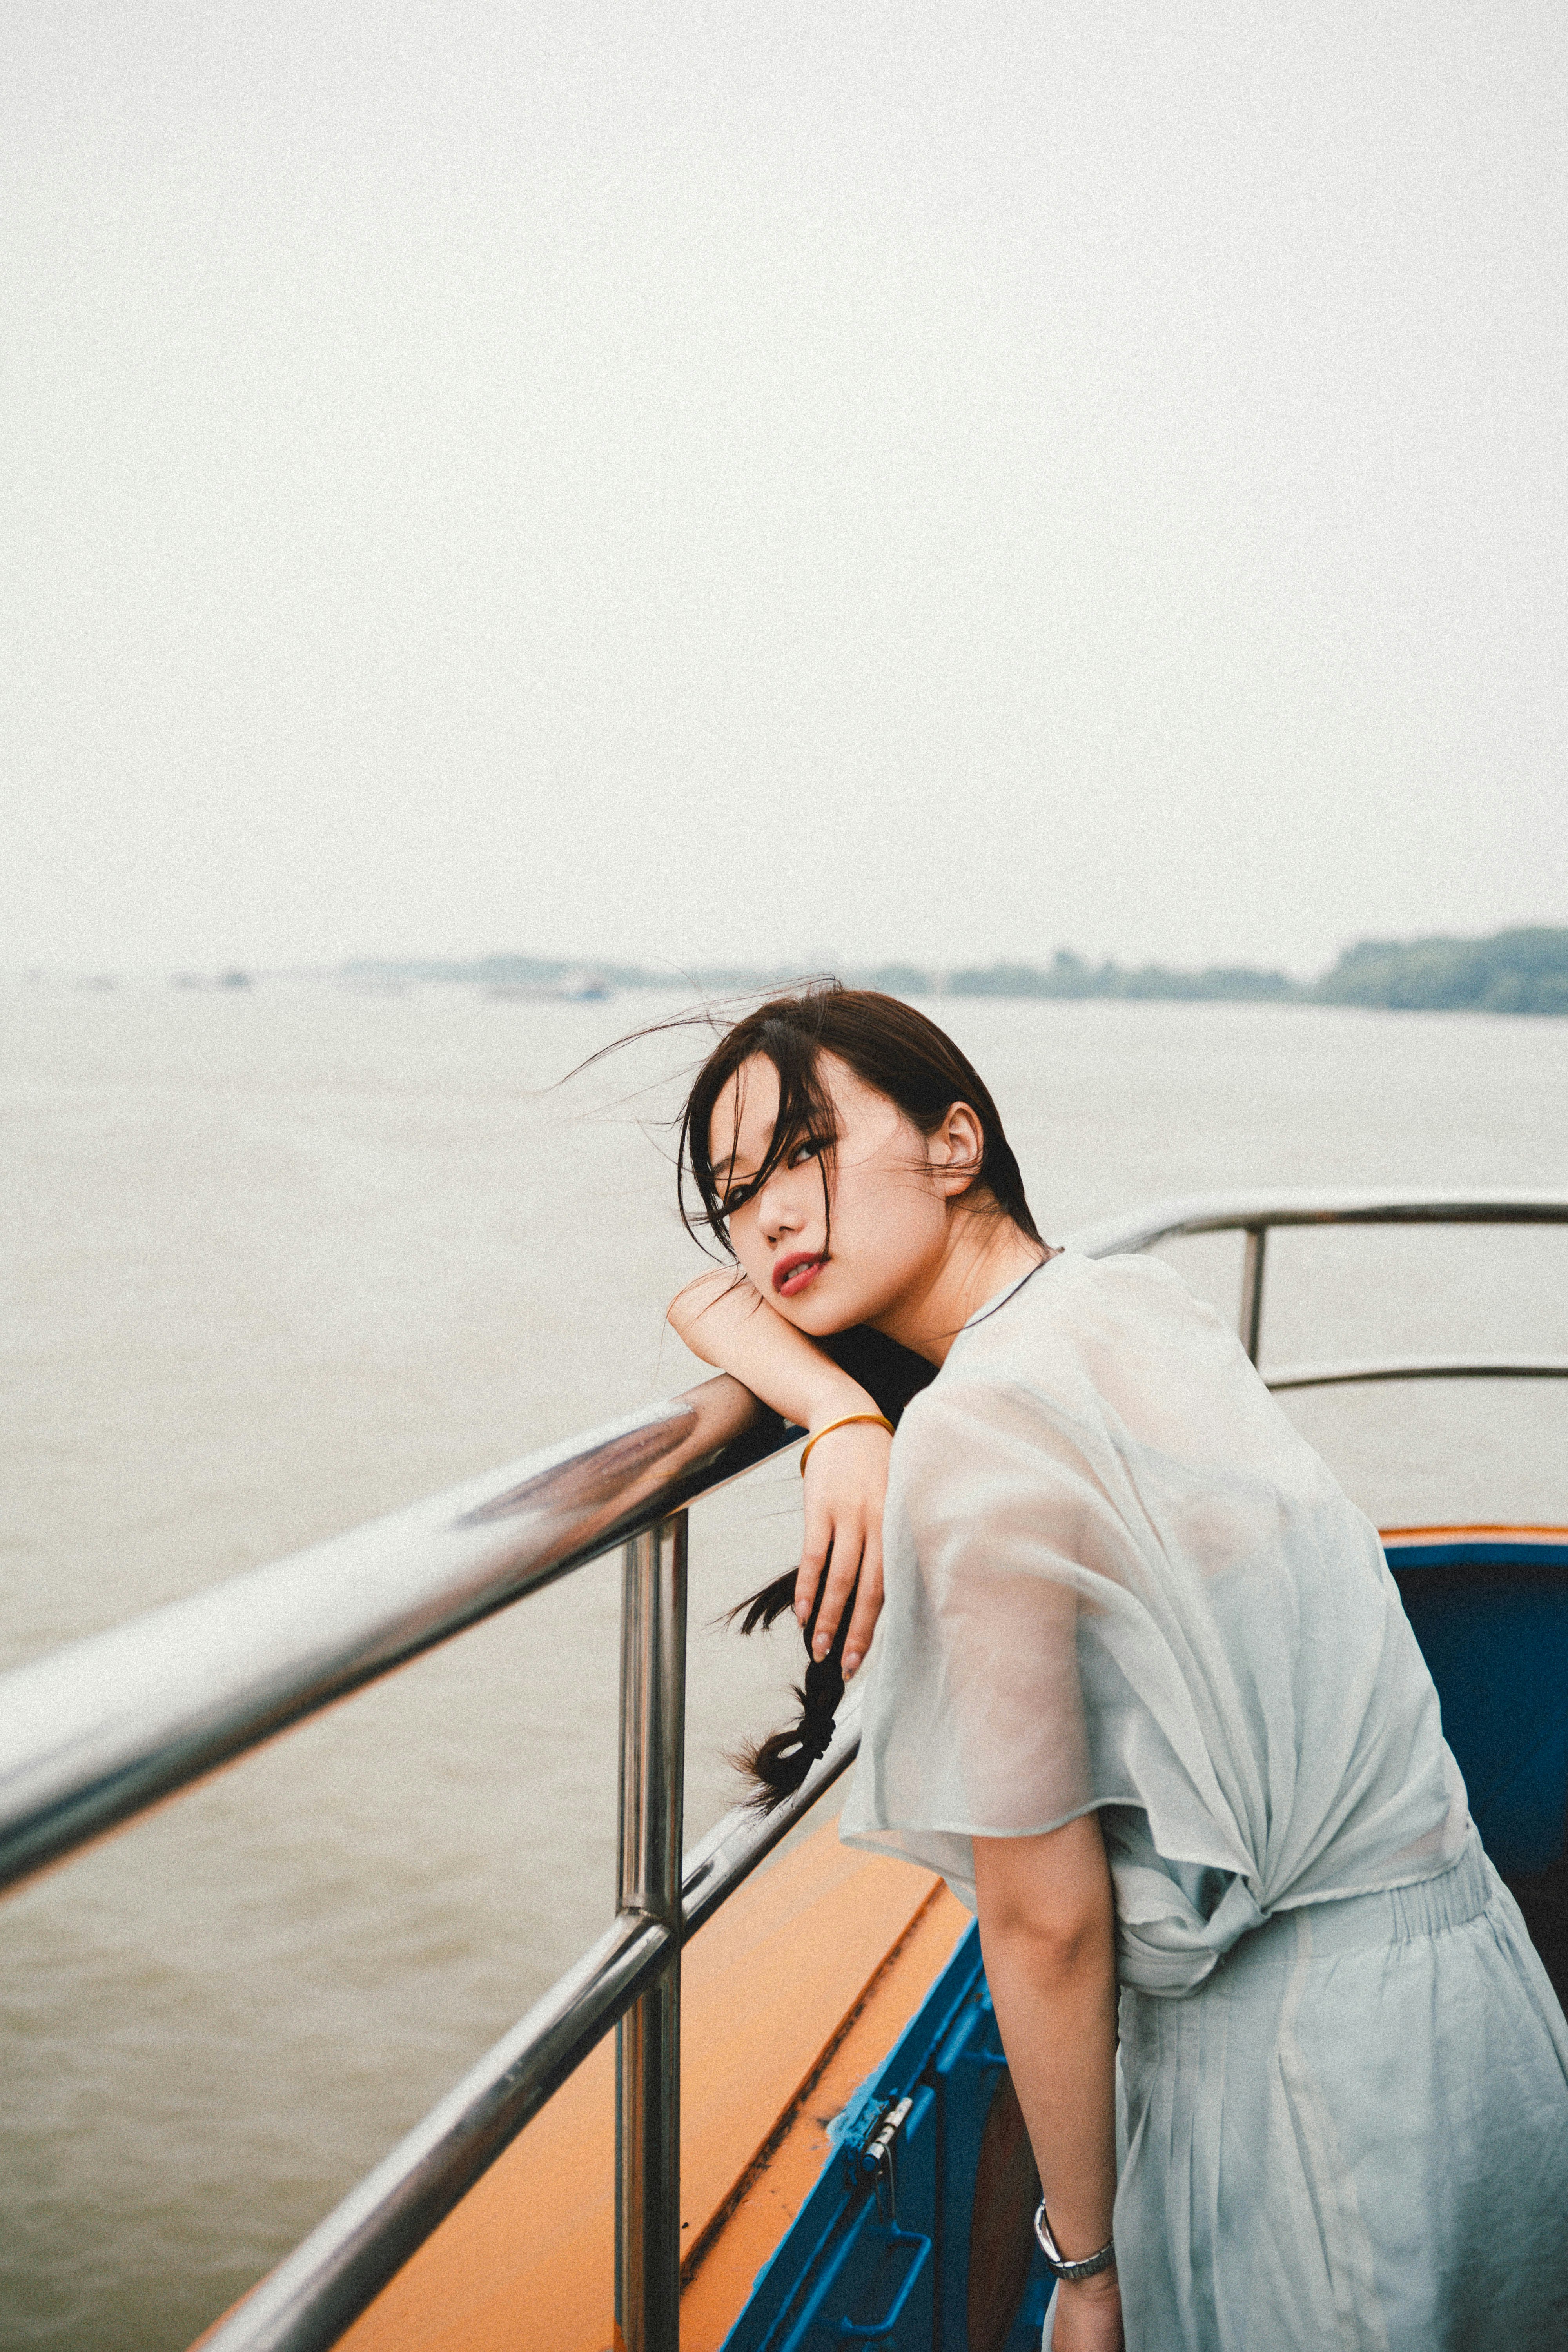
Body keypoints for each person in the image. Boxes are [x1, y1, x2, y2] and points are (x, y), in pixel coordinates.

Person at [664, 984, 1568, 2352]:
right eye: (738, 1190)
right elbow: (706, 1300)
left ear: (955, 1142)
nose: (773, 1217)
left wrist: (1083, 2264)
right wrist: (838, 1406)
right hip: (1469, 2005)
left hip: (1300, 2101)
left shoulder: (978, 1431)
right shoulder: (1128, 1304)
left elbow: (1048, 1918)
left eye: (807, 1151)